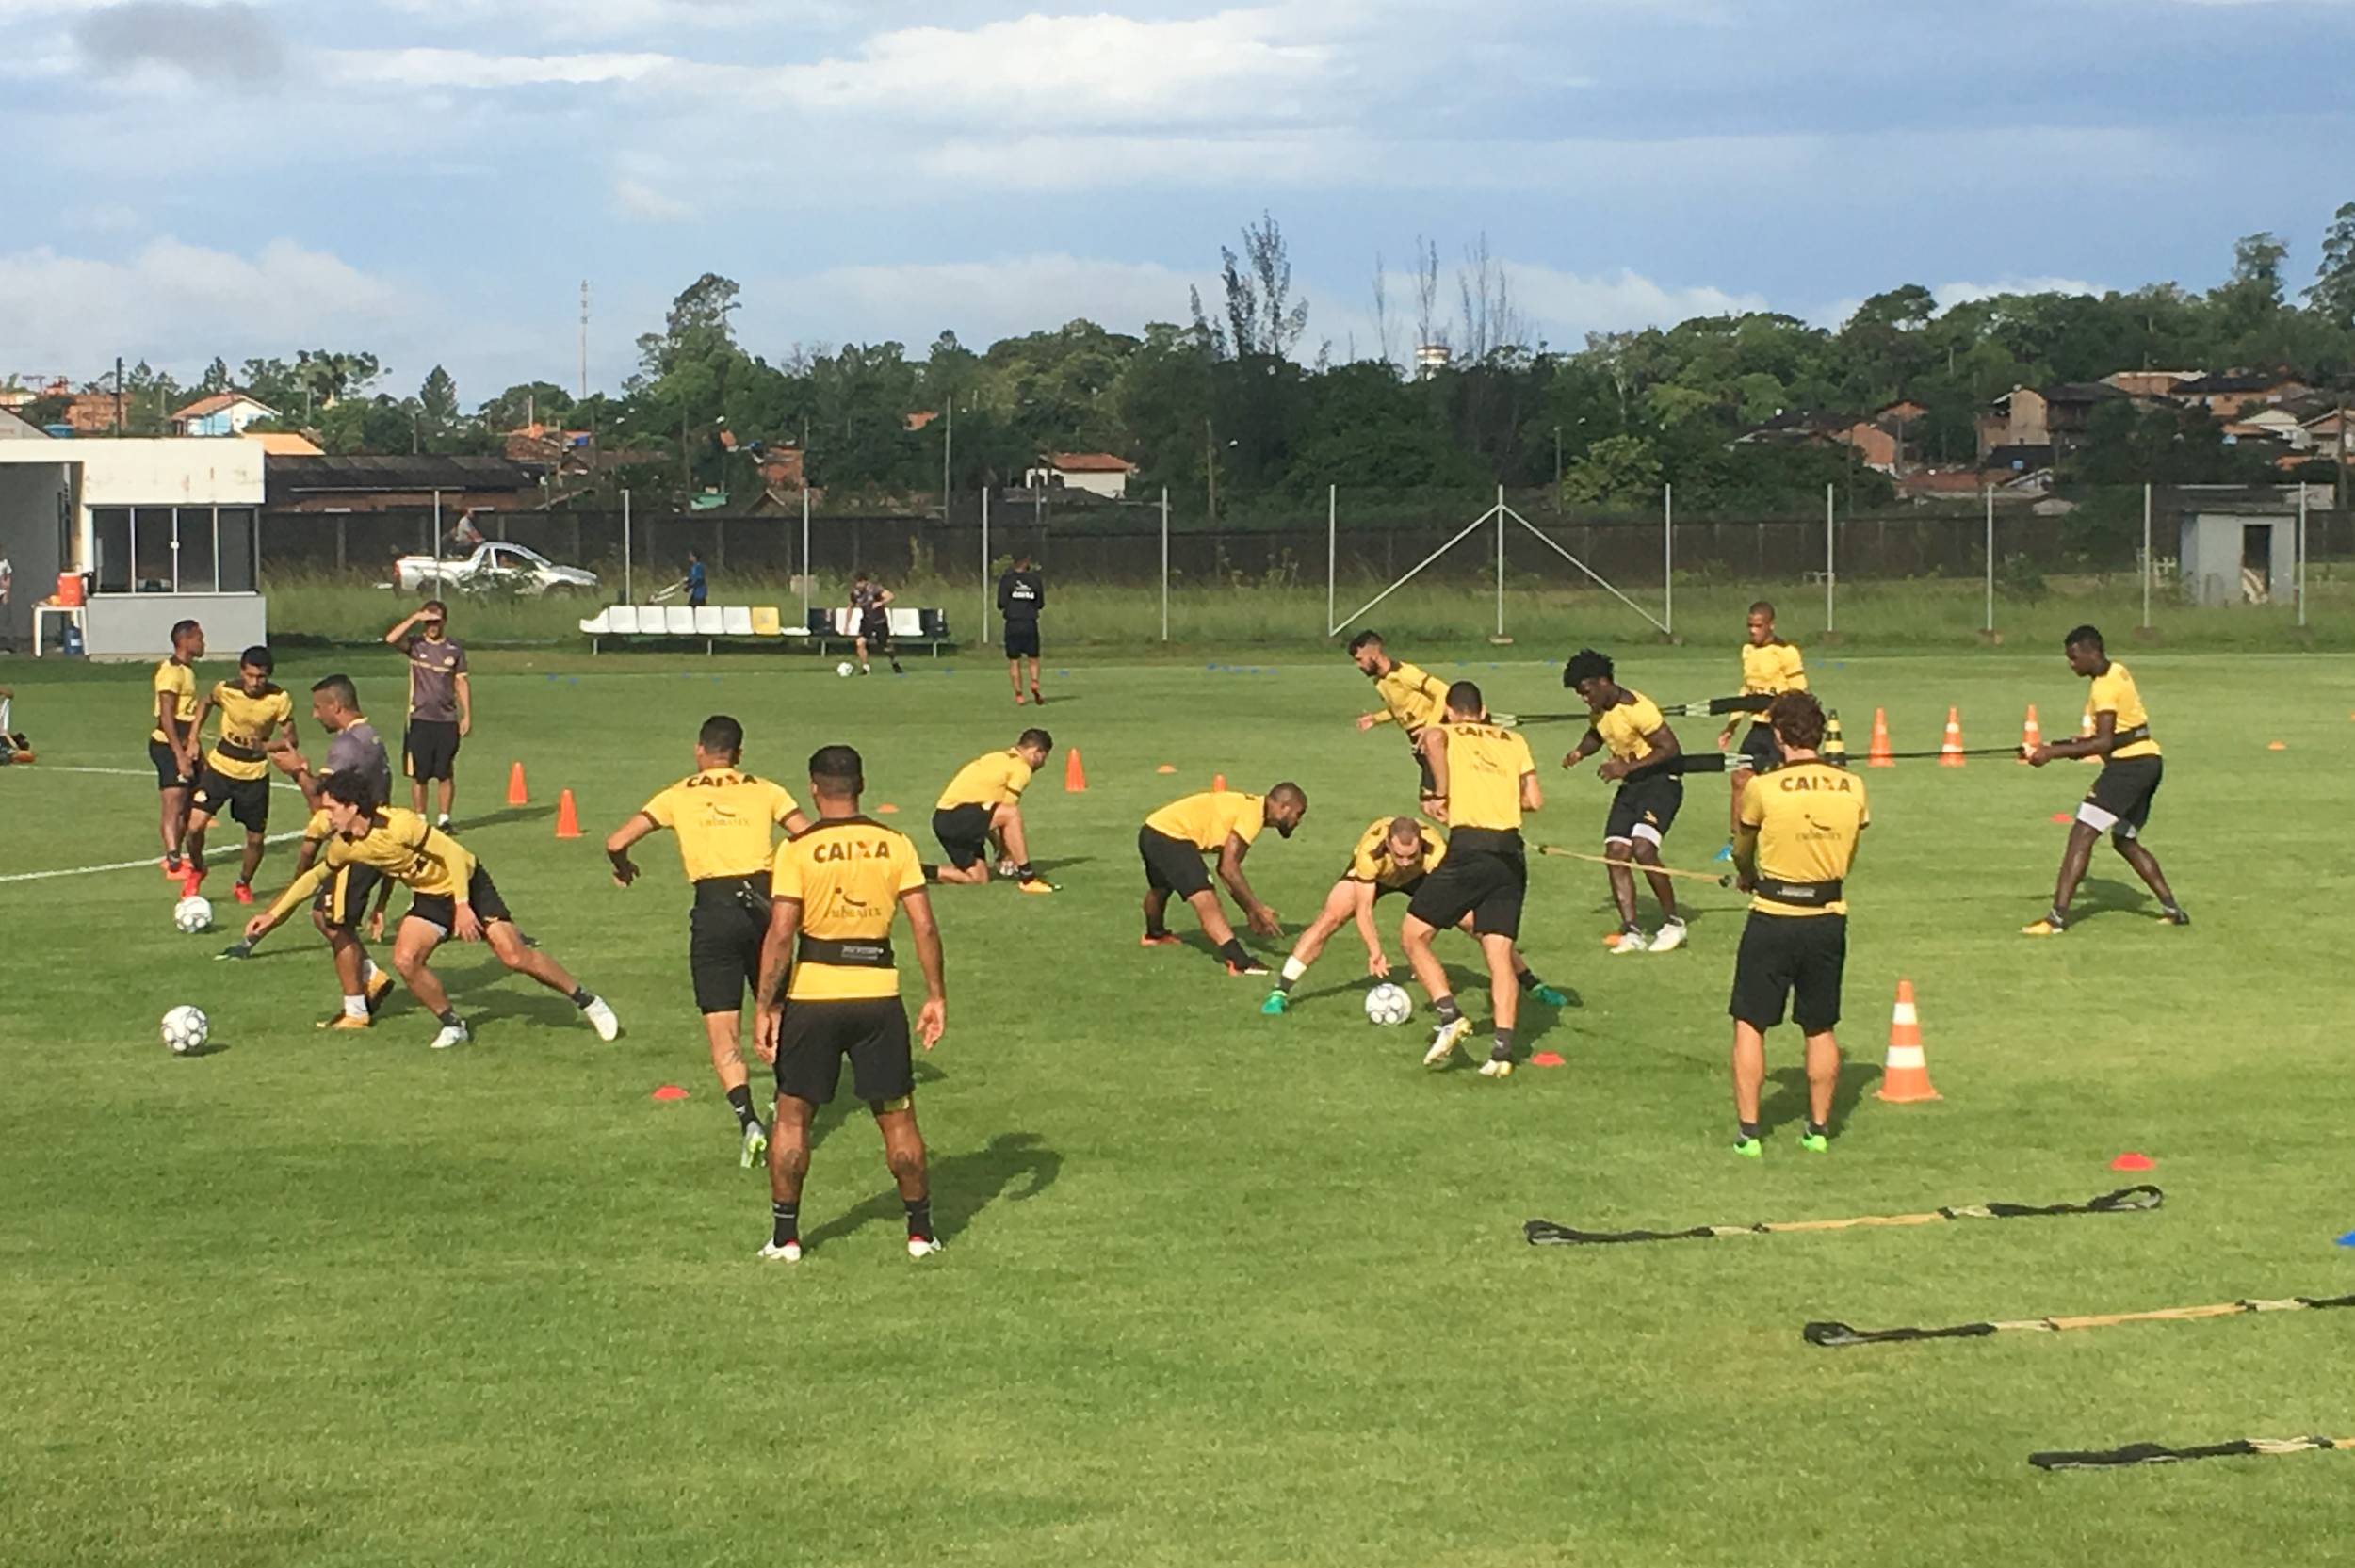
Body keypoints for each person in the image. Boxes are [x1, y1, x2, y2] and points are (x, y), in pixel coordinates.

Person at [246, 770, 620, 1050]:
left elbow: (454, 855)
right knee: (405, 960)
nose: (326, 816)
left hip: (468, 883)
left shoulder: (400, 824)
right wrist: (272, 916)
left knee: (513, 956)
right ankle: (453, 1024)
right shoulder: (346, 845)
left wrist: (462, 906)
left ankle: (588, 1001)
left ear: (352, 806)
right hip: (429, 897)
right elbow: (313, 878)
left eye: (331, 808)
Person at [751, 745, 948, 1263]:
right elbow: (925, 925)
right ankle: (920, 1233)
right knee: (898, 1118)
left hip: (813, 997)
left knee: (793, 1117)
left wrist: (766, 1005)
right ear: (861, 785)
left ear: (814, 789)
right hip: (878, 997)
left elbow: (781, 932)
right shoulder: (895, 843)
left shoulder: (797, 848)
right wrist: (935, 995)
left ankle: (785, 1238)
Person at [605, 715, 811, 1168]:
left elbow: (616, 841)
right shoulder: (767, 789)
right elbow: (809, 836)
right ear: (739, 754)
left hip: (713, 911)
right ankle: (786, 1102)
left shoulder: (678, 794)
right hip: (764, 908)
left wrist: (623, 867)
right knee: (775, 1010)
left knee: (722, 1028)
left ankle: (748, 1120)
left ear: (699, 750)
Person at [1727, 692, 1867, 1158]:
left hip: (1773, 914)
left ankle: (1749, 1133)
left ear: (1779, 735)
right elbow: (1851, 847)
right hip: (1827, 916)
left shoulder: (1763, 787)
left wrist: (1745, 874)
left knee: (1751, 1022)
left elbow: (1743, 845)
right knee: (1819, 1025)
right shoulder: (1852, 785)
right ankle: (1819, 1129)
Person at [218, 675, 398, 1028]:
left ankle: (356, 1010)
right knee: (322, 915)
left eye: (318, 708)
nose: (315, 716)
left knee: (332, 920)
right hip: (371, 839)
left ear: (336, 706)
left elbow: (321, 803)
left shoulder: (346, 745)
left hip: (361, 846)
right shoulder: (370, 735)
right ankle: (371, 976)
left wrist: (298, 771)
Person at [1260, 814, 1567, 1016]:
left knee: (1478, 924)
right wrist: (1375, 951)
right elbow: (1364, 910)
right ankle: (1280, 991)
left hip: (1424, 878)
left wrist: (1424, 946)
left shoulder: (1434, 850)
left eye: (1411, 855)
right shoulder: (1370, 853)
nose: (1405, 862)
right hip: (1377, 877)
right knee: (1331, 917)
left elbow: (1447, 899)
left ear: (1420, 845)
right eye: (1400, 855)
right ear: (1388, 845)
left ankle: (1531, 983)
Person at [1404, 683, 1544, 1077]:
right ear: (1483, 711)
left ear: (1450, 711)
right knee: (1499, 955)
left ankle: (1450, 1016)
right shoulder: (1514, 740)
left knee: (1413, 936)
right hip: (1510, 855)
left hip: (1469, 851)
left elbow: (1432, 740)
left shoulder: (1444, 731)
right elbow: (1534, 800)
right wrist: (1498, 797)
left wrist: (1443, 791)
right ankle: (1502, 1053)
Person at [2022, 625, 2187, 935]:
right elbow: (2122, 734)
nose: (2071, 664)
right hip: (2150, 762)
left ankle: (2056, 919)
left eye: (2074, 658)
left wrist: (2052, 752)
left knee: (2081, 835)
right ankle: (2172, 909)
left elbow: (2104, 742)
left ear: (2092, 652)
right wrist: (2066, 746)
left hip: (2129, 768)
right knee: (2124, 840)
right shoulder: (2118, 671)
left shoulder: (2103, 688)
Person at [1560, 648, 1688, 955]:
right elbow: (1596, 733)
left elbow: (1670, 748)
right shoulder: (1601, 709)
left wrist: (1626, 768)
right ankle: (1631, 931)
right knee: (1616, 853)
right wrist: (1579, 752)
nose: (1584, 698)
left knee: (1643, 848)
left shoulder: (1637, 708)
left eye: (1586, 691)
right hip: (1632, 788)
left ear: (1603, 682)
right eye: (1579, 694)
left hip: (1662, 785)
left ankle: (1673, 924)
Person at [1137, 784, 1308, 976]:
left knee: (1161, 887)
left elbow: (1226, 870)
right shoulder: (1253, 814)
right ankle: (1239, 961)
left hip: (1152, 830)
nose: (1298, 820)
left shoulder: (1250, 807)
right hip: (1171, 836)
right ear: (1284, 807)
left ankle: (1155, 934)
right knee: (1205, 898)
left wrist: (1250, 910)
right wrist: (1256, 908)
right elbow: (1228, 868)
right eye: (1299, 813)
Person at [182, 645, 299, 903]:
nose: (255, 682)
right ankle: (198, 869)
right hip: (220, 767)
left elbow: (291, 740)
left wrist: (265, 746)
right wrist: (192, 738)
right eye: (250, 675)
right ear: (242, 671)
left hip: (254, 774)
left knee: (255, 839)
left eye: (261, 677)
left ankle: (243, 883)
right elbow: (205, 702)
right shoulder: (226, 689)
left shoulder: (279, 699)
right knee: (194, 826)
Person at [1718, 601, 1807, 849]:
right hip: (1758, 729)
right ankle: (1735, 843)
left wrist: (1789, 725)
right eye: (1750, 626)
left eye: (1758, 626)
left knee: (1783, 784)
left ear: (1771, 625)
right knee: (1739, 778)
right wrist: (1732, 725)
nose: (1753, 631)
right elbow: (1746, 691)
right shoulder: (1748, 651)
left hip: (1781, 730)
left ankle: (1790, 838)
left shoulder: (1786, 652)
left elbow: (1800, 693)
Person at [927, 729, 1055, 892]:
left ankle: (917, 871)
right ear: (1037, 752)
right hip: (955, 817)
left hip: (944, 820)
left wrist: (999, 849)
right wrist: (1005, 852)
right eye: (1044, 757)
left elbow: (988, 815)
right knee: (1012, 813)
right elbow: (1006, 814)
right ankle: (1028, 878)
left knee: (979, 878)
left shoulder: (996, 757)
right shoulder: (1021, 768)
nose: (1043, 764)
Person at [385, 600, 470, 831]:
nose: (432, 626)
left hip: (446, 719)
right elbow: (391, 639)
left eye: (436, 621)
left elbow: (461, 682)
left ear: (444, 621)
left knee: (445, 772)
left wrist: (466, 715)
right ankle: (420, 819)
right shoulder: (416, 645)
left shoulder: (454, 649)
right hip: (420, 718)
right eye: (428, 621)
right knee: (420, 773)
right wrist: (414, 618)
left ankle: (444, 819)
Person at [1348, 630, 1451, 820]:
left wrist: (1431, 728)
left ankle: (1471, 832)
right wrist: (1375, 719)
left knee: (1435, 804)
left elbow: (1443, 692)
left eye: (1360, 659)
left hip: (1433, 742)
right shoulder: (1380, 682)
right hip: (1418, 743)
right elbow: (1400, 709)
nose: (1358, 666)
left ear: (1374, 654)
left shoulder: (1405, 673)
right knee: (1430, 806)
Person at [998, 553, 1046, 705]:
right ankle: (1034, 681)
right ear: (1027, 562)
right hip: (1029, 623)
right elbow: (1040, 603)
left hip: (1013, 623)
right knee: (1033, 658)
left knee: (1014, 661)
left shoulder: (1006, 580)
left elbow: (1001, 603)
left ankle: (1019, 694)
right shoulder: (1035, 580)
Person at [848, 571, 901, 676]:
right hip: (866, 621)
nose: (858, 585)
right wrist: (846, 624)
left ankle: (894, 662)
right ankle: (866, 668)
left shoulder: (874, 589)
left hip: (879, 621)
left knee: (886, 646)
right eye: (857, 583)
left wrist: (880, 602)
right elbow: (850, 607)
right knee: (860, 642)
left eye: (860, 583)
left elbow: (891, 596)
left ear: (865, 582)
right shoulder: (855, 593)